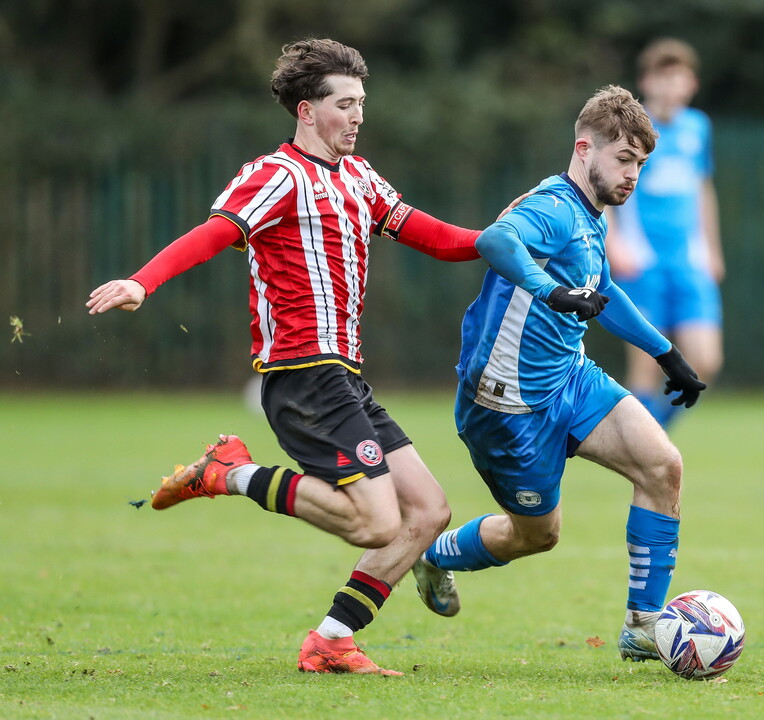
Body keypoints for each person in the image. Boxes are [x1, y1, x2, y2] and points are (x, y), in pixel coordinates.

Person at [87, 38, 494, 676]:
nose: (359, 116)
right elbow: (214, 233)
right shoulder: (277, 174)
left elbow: (439, 239)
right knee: (375, 523)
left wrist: (510, 240)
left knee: (429, 511)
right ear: (307, 111)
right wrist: (144, 281)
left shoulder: (360, 178)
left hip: (345, 379)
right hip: (302, 375)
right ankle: (229, 472)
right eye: (346, 104)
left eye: (362, 103)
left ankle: (332, 641)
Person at [409, 85, 706, 663]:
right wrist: (550, 290)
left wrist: (665, 353)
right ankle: (434, 552)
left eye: (640, 165)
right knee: (537, 535)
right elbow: (497, 239)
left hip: (569, 379)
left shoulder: (591, 214)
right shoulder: (551, 207)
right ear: (583, 148)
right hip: (506, 406)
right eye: (623, 160)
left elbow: (603, 289)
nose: (632, 176)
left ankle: (643, 626)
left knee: (663, 466)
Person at [604, 38, 724, 430]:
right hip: (643, 262)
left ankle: (648, 437)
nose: (671, 86)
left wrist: (712, 248)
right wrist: (614, 242)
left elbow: (702, 188)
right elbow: (602, 187)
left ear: (691, 83)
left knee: (705, 360)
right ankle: (644, 453)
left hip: (688, 262)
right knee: (646, 366)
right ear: (646, 82)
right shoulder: (633, 131)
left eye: (679, 77)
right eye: (663, 77)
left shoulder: (697, 127)